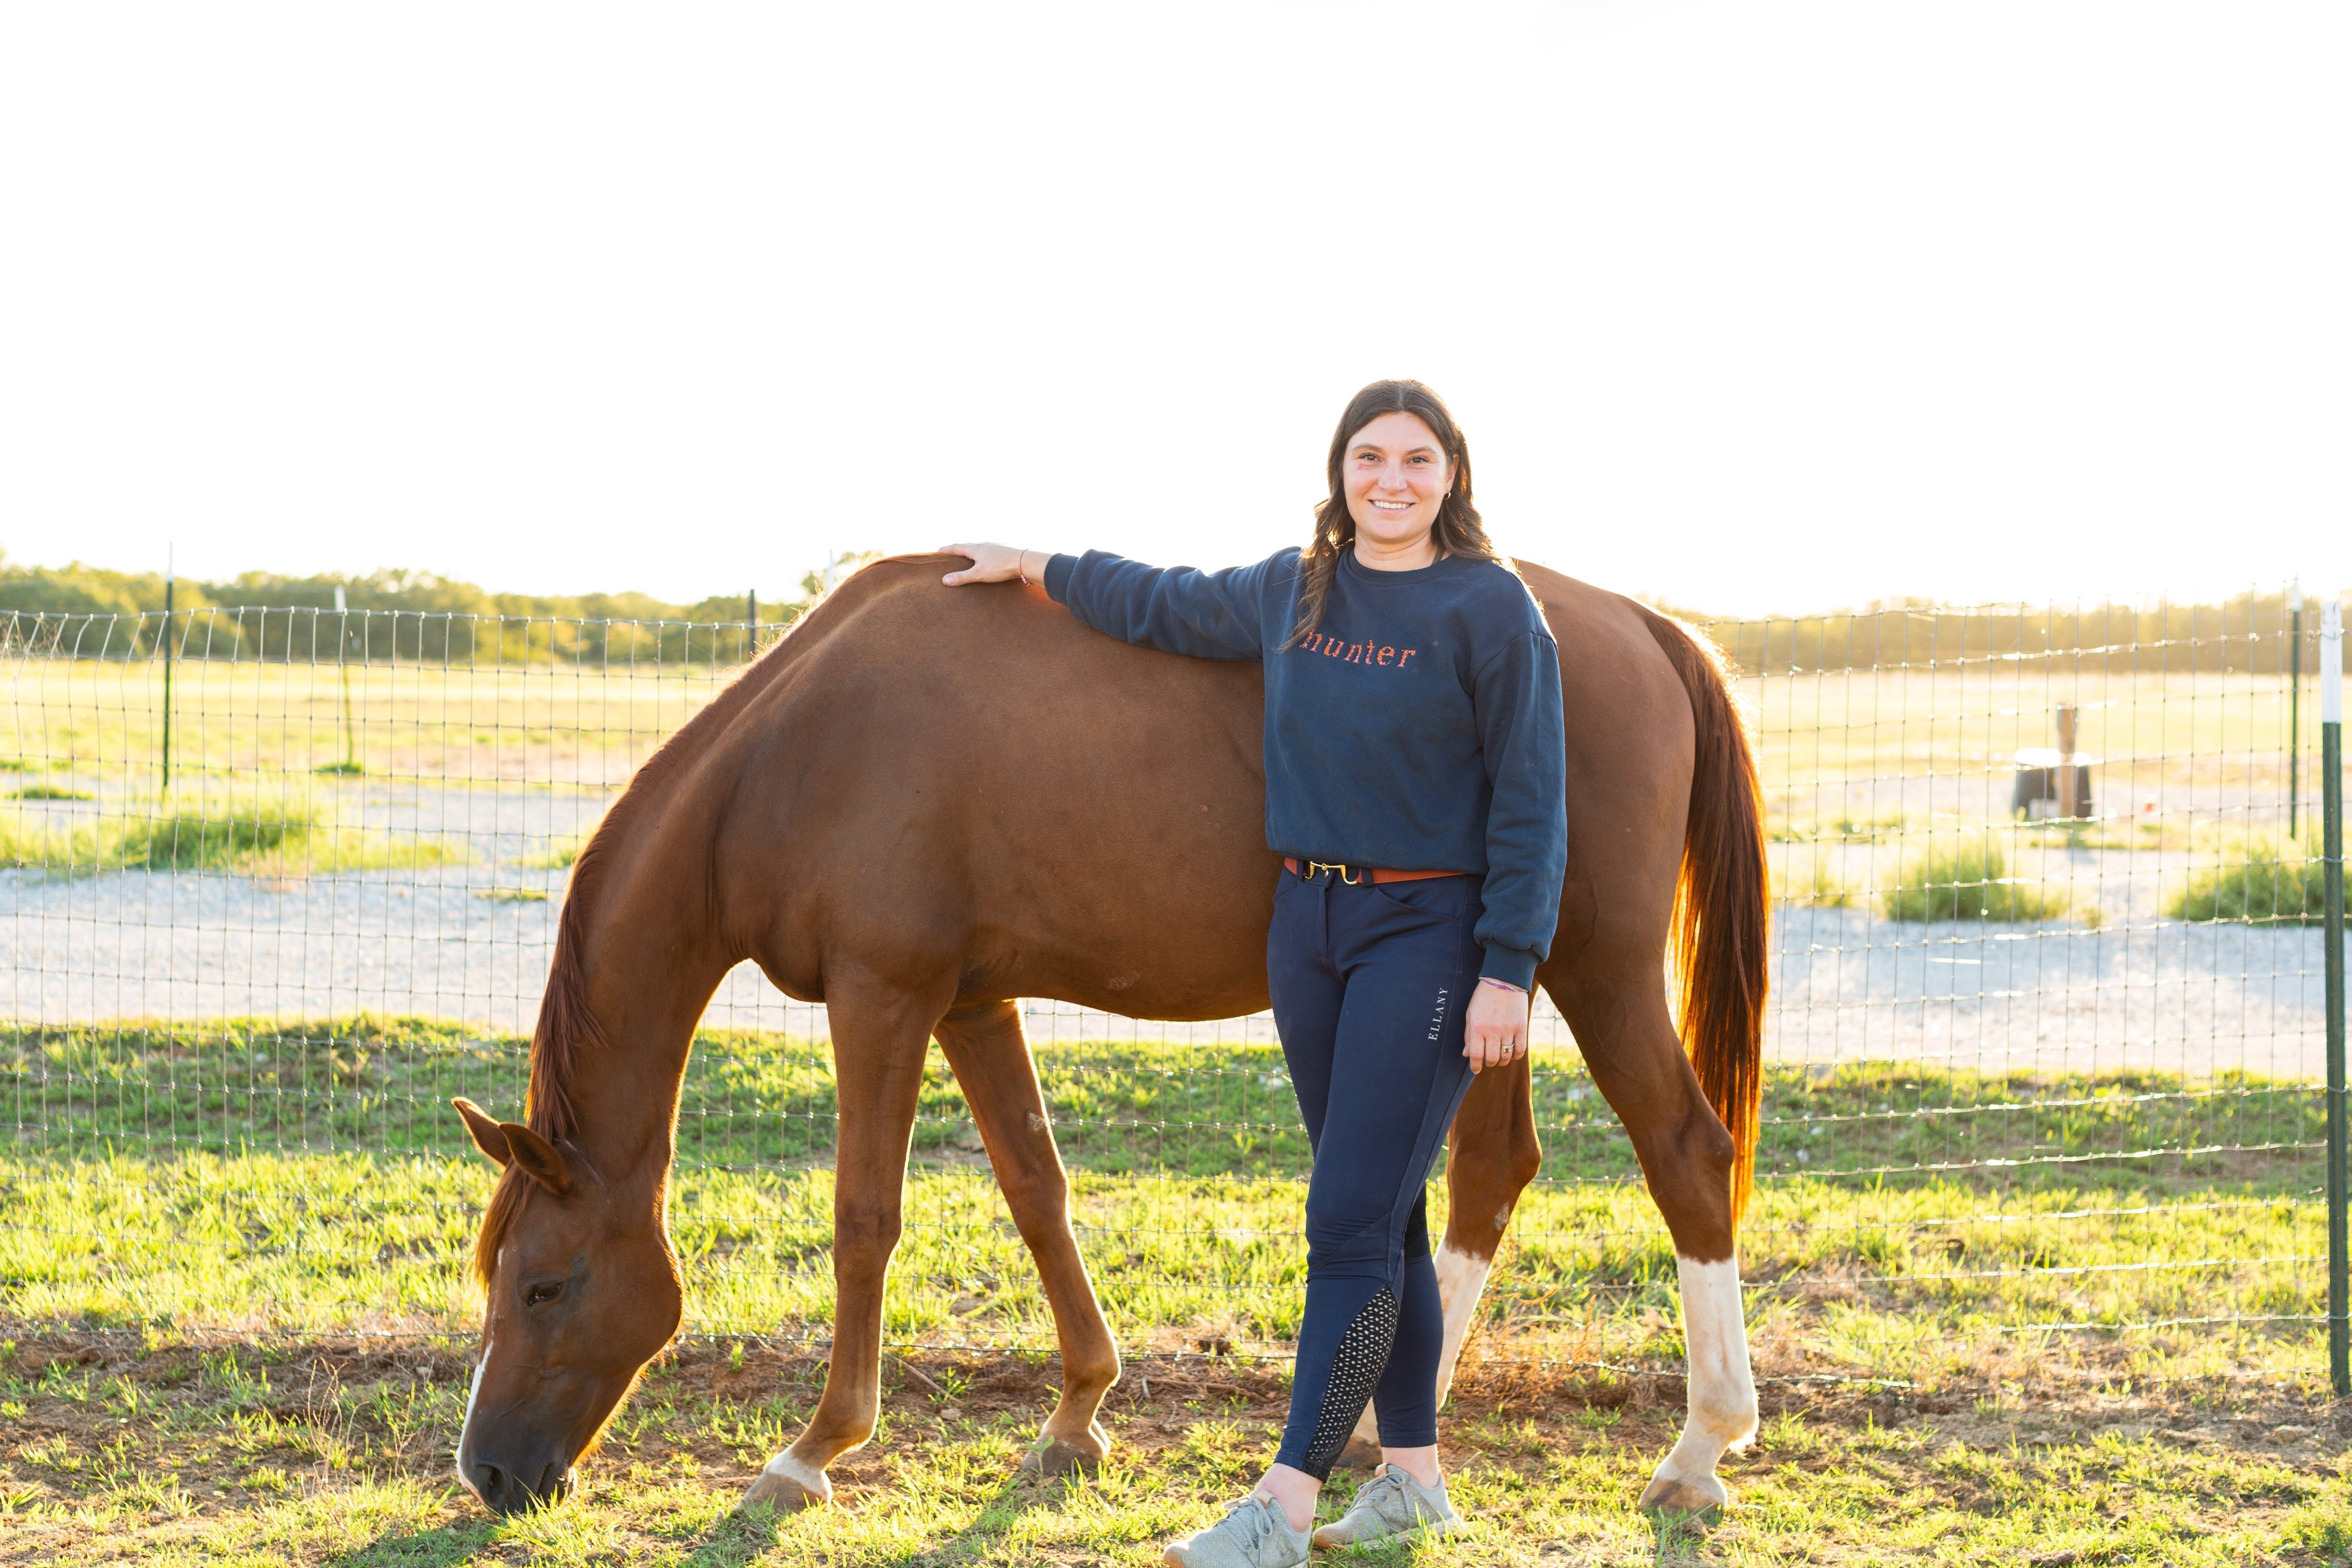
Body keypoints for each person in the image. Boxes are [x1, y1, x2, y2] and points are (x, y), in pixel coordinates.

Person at [942, 379, 1566, 1567]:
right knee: (1384, 1214)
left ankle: (1283, 1502)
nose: (1390, 479)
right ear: (1339, 471)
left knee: (1345, 1219)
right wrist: (1035, 561)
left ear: (1453, 476)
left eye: (1416, 460)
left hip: (1423, 931)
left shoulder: (1490, 608)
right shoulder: (1296, 587)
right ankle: (1417, 1484)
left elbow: (1535, 801)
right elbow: (1160, 603)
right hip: (1306, 925)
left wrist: (1506, 969)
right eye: (1368, 456)